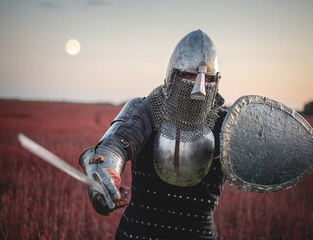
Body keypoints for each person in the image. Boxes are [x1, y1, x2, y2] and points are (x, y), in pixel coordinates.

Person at [80, 29, 227, 239]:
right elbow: (115, 143)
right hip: (138, 233)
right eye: (189, 75)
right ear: (173, 75)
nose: (199, 89)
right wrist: (105, 171)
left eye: (207, 78)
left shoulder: (225, 124)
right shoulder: (148, 109)